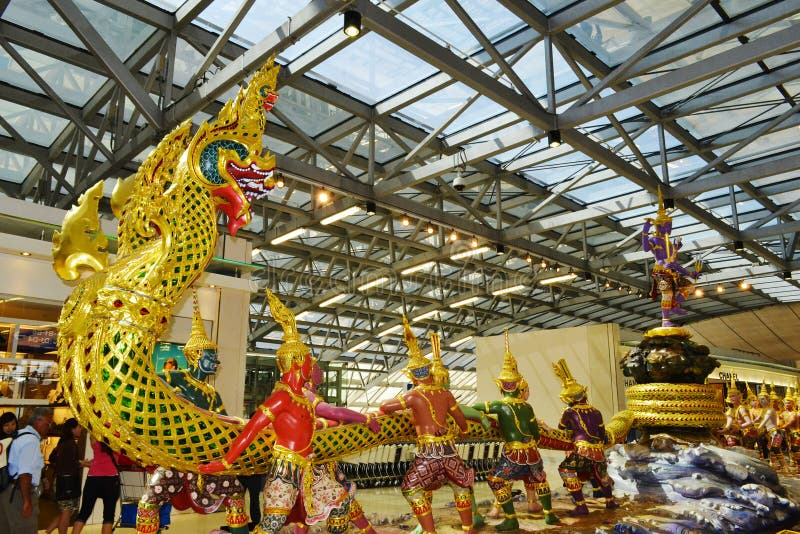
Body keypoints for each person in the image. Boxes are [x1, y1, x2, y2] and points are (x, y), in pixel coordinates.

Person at [199, 289, 351, 534]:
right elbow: (250, 430)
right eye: (309, 362)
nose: (312, 367)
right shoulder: (281, 398)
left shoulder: (304, 398)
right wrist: (226, 461)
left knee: (342, 503)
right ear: (297, 363)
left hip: (311, 468)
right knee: (272, 525)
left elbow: (321, 422)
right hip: (285, 469)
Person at [139, 290, 249, 534]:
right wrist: (176, 400)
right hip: (177, 455)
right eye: (212, 357)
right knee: (149, 502)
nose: (217, 362)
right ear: (197, 356)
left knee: (236, 494)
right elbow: (151, 387)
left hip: (205, 459)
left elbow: (224, 423)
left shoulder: (212, 393)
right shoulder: (174, 376)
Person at [379, 319, 476, 534]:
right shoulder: (445, 393)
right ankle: (469, 529)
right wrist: (465, 431)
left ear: (413, 375)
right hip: (450, 451)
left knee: (411, 489)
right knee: (460, 487)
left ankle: (429, 532)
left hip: (429, 455)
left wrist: (407, 410)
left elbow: (384, 406)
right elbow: (460, 418)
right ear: (431, 372)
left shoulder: (413, 395)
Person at [472, 330, 558, 529]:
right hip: (533, 452)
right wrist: (536, 439)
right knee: (539, 479)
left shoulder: (500, 405)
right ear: (519, 386)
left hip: (515, 454)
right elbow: (534, 431)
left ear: (501, 386)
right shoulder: (526, 407)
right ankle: (548, 515)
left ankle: (511, 518)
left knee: (496, 479)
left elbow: (478, 407)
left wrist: (476, 416)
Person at [292, 361, 381, 534]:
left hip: (319, 462)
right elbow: (334, 413)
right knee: (337, 502)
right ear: (309, 373)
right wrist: (366, 419)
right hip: (312, 465)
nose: (322, 371)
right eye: (318, 368)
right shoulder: (305, 394)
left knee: (309, 510)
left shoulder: (305, 394)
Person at [551, 358, 618, 517]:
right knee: (601, 475)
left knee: (565, 470)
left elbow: (561, 428)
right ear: (584, 394)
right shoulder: (596, 411)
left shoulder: (569, 412)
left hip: (582, 451)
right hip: (599, 451)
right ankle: (609, 501)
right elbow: (602, 433)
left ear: (571, 399)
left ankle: (581, 506)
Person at [0, 406, 53, 534]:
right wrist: (27, 502)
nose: (49, 426)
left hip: (7, 492)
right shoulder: (31, 441)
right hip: (19, 495)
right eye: (48, 423)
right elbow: (25, 473)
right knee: (25, 529)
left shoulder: (19, 434)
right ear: (39, 421)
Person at [71, 436, 121, 534]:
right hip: (111, 481)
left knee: (84, 513)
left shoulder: (94, 439)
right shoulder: (118, 443)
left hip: (93, 479)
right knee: (108, 516)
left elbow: (99, 460)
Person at [45, 418, 85, 534]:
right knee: (67, 513)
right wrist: (82, 463)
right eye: (79, 427)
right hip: (68, 483)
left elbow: (54, 459)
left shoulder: (63, 442)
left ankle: (48, 531)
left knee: (65, 512)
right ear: (72, 429)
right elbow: (71, 463)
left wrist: (79, 463)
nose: (80, 430)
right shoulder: (70, 444)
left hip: (62, 481)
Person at [719, 376, 753, 447]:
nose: (731, 398)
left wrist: (738, 427)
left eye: (733, 396)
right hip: (735, 432)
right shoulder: (731, 410)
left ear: (739, 397)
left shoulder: (741, 408)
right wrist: (722, 431)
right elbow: (728, 425)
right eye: (730, 396)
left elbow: (749, 423)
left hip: (745, 432)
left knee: (731, 441)